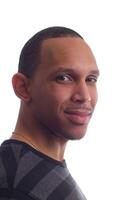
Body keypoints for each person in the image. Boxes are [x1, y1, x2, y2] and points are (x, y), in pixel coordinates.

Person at [0, 26, 99, 200]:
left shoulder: (35, 169)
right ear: (22, 87)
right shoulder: (14, 184)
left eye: (90, 79)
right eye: (64, 78)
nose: (84, 96)